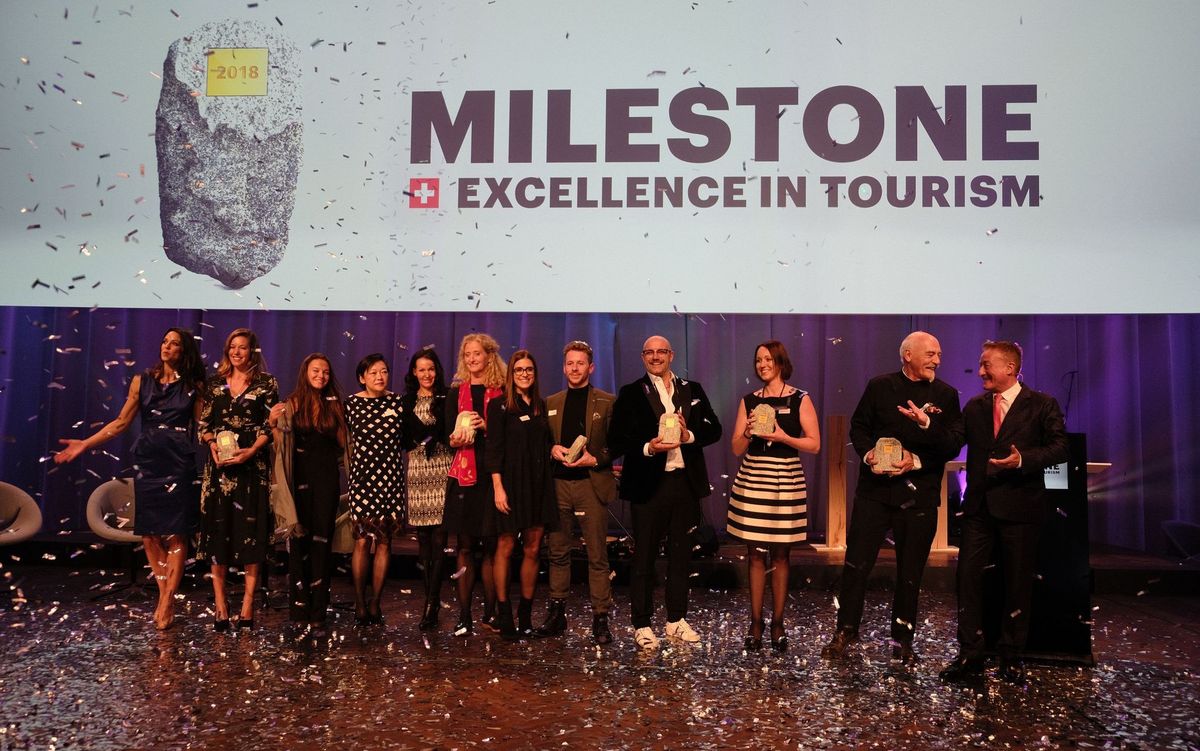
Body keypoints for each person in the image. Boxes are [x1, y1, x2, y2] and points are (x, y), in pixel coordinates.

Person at [821, 331, 964, 663]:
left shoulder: (946, 395)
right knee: (856, 565)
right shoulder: (879, 386)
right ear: (908, 355)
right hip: (875, 492)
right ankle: (846, 630)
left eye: (939, 355)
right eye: (931, 354)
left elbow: (953, 444)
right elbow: (859, 427)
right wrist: (868, 453)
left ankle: (903, 640)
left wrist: (924, 434)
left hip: (920, 496)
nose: (937, 360)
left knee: (910, 573)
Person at [55, 327, 206, 631]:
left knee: (176, 534)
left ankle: (167, 600)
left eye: (174, 344)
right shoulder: (143, 380)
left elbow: (203, 426)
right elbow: (121, 422)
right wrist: (85, 443)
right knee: (150, 534)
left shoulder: (194, 386)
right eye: (164, 341)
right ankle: (164, 593)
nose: (167, 346)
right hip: (149, 461)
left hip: (179, 462)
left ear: (184, 351)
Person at [940, 340, 1068, 684]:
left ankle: (1012, 656)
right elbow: (953, 441)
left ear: (1010, 368)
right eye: (981, 365)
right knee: (967, 578)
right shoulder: (976, 406)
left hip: (1021, 507)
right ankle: (970, 654)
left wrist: (1023, 459)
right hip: (979, 508)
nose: (980, 372)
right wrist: (927, 424)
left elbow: (1060, 447)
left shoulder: (1041, 404)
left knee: (1017, 583)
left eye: (987, 365)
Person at [609, 335, 722, 650]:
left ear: (671, 355)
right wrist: (648, 446)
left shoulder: (692, 389)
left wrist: (688, 436)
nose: (656, 356)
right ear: (643, 357)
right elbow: (617, 439)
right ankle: (642, 624)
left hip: (685, 483)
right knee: (644, 556)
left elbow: (714, 429)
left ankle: (676, 619)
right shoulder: (631, 392)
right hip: (648, 485)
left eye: (661, 351)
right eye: (649, 352)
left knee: (681, 555)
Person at [727, 340, 820, 652]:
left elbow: (814, 444)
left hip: (785, 479)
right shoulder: (749, 401)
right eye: (758, 360)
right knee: (755, 554)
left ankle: (778, 623)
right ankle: (756, 622)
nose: (762, 364)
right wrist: (748, 432)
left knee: (781, 554)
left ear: (780, 362)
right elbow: (736, 448)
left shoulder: (800, 398)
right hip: (753, 478)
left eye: (768, 359)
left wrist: (783, 436)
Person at [198, 328, 279, 632]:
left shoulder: (267, 383)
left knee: (251, 535)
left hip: (252, 468)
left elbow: (270, 427)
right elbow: (204, 425)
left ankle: (247, 604)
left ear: (252, 352)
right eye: (232, 347)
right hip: (219, 471)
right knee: (217, 535)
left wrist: (252, 451)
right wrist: (211, 445)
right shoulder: (215, 384)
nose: (237, 352)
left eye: (243, 347)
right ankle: (220, 605)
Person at [538, 340, 617, 645]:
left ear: (591, 367)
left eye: (580, 363)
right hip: (558, 485)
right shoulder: (551, 402)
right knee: (558, 552)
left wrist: (595, 459)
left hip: (590, 484)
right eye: (570, 363)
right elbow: (542, 441)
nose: (574, 368)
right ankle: (557, 614)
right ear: (563, 367)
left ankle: (601, 618)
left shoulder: (607, 402)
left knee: (597, 555)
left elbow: (617, 444)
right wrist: (551, 449)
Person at [270, 353, 346, 632]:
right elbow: (281, 446)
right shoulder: (291, 404)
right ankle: (299, 609)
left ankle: (318, 611)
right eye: (316, 370)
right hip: (299, 480)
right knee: (299, 541)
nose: (321, 376)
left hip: (326, 480)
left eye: (325, 372)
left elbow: (344, 445)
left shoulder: (334, 405)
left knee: (322, 543)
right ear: (305, 373)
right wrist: (272, 423)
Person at [486, 349, 558, 640]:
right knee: (505, 546)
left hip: (539, 484)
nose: (524, 374)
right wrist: (498, 487)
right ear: (511, 374)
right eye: (519, 370)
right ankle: (504, 615)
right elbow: (494, 450)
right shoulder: (499, 405)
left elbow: (544, 443)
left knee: (533, 548)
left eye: (529, 369)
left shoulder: (541, 405)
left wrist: (555, 449)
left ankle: (525, 615)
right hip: (510, 484)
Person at [442, 333, 505, 636]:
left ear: (489, 355)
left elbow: (511, 436)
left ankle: (491, 613)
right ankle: (464, 614)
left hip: (493, 476)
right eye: (467, 354)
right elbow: (447, 435)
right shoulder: (456, 392)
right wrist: (455, 439)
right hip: (464, 478)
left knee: (492, 546)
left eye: (477, 353)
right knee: (465, 547)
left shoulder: (503, 391)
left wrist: (488, 426)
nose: (471, 359)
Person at [344, 353, 407, 627]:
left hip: (391, 480)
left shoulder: (398, 402)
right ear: (362, 377)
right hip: (363, 480)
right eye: (373, 372)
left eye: (383, 371)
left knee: (384, 541)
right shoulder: (351, 404)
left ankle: (375, 601)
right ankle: (359, 600)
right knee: (361, 540)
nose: (380, 377)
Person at [399, 347, 454, 631]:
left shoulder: (447, 397)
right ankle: (428, 598)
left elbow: (448, 432)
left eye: (430, 369)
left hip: (443, 470)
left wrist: (431, 435)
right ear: (413, 372)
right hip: (418, 471)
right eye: (421, 369)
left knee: (439, 540)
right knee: (423, 541)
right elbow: (404, 438)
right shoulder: (406, 401)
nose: (427, 374)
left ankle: (432, 603)